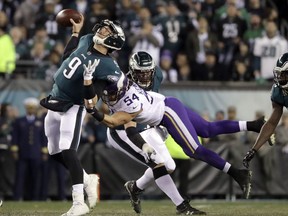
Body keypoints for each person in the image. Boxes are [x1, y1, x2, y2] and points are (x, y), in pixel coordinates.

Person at [40, 16, 125, 215]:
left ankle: (79, 203)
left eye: (107, 30)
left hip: (73, 106)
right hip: (55, 99)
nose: (101, 30)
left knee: (68, 149)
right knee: (53, 151)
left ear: (114, 40)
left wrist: (88, 81)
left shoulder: (108, 66)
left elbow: (93, 101)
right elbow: (68, 56)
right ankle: (87, 179)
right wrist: (75, 33)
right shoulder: (86, 40)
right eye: (102, 27)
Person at [243, 52, 288, 169]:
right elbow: (272, 123)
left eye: (284, 75)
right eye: (278, 74)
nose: (280, 78)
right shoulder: (278, 91)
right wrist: (254, 149)